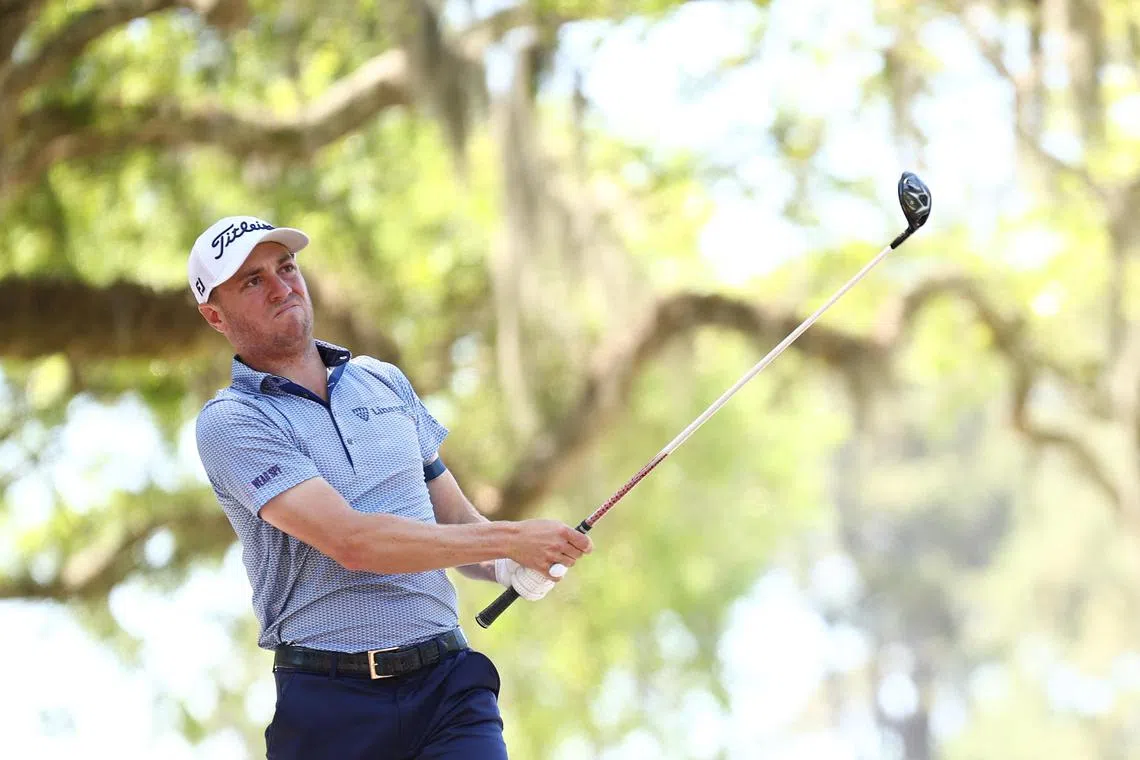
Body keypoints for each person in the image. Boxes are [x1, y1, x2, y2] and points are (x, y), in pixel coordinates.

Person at [189, 216, 592, 759]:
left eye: (286, 268)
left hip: (448, 688)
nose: (282, 288)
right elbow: (353, 542)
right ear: (215, 315)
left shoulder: (382, 380)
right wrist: (510, 538)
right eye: (252, 282)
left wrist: (515, 563)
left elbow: (455, 526)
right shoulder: (233, 421)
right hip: (331, 707)